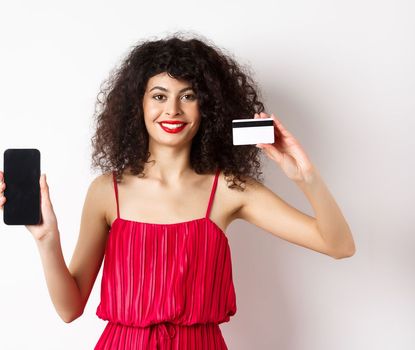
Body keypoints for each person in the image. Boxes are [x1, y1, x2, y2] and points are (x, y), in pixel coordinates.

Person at [0, 33, 355, 349]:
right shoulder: (107, 191)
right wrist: (47, 239)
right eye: (159, 95)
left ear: (208, 108)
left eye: (188, 96)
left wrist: (304, 175)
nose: (172, 109)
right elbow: (69, 309)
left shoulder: (231, 189)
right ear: (137, 105)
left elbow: (338, 244)